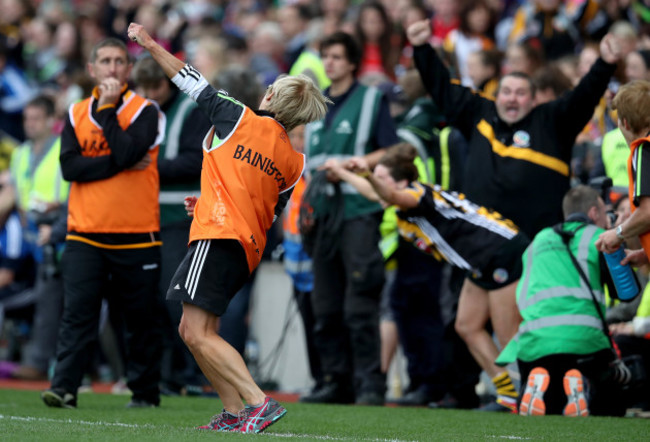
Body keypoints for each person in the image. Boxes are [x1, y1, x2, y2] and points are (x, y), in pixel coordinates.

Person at [127, 22, 330, 433]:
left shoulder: (238, 116)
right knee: (195, 329)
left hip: (217, 236)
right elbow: (266, 209)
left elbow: (188, 79)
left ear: (270, 96)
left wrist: (149, 44)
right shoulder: (294, 162)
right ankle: (235, 411)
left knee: (197, 333)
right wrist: (208, 202)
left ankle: (257, 403)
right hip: (243, 247)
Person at [325, 143, 529, 413]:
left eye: (384, 180)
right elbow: (376, 193)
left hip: (501, 251)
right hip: (480, 261)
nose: (378, 187)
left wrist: (370, 176)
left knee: (508, 336)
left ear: (403, 182)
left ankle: (531, 394)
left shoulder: (415, 194)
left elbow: (389, 195)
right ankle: (509, 394)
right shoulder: (398, 196)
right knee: (467, 326)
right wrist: (341, 171)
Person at [406, 18, 627, 239]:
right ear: (497, 96)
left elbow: (583, 96)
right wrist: (422, 48)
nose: (512, 99)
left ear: (533, 100)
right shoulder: (479, 113)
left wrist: (605, 63)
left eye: (521, 93)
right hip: (482, 240)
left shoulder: (552, 121)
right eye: (507, 92)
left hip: (538, 243)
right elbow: (443, 88)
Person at [41, 37, 165, 409]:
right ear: (92, 69)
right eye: (105, 61)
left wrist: (109, 112)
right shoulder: (76, 112)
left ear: (128, 70)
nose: (112, 67)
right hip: (85, 233)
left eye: (119, 61)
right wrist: (121, 163)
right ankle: (64, 388)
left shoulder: (146, 111)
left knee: (140, 321)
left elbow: (126, 151)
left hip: (137, 234)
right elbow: (69, 168)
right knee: (77, 315)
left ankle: (144, 393)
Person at [300, 31, 399, 406]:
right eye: (326, 56)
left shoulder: (373, 98)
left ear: (353, 62)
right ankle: (335, 380)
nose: (330, 63)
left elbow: (390, 148)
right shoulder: (314, 104)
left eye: (338, 57)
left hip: (358, 212)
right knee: (325, 305)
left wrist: (354, 164)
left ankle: (370, 384)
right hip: (322, 214)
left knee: (360, 302)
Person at [498, 185, 630, 417]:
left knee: (551, 407)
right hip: (585, 343)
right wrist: (617, 239)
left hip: (533, 343)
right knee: (612, 408)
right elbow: (626, 292)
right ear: (593, 214)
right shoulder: (597, 238)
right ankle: (582, 387)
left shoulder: (538, 240)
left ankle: (537, 385)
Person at [131, 56, 212, 396]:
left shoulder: (191, 110)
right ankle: (164, 373)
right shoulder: (141, 110)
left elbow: (197, 158)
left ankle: (187, 373)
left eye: (157, 87)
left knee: (174, 298)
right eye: (145, 88)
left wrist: (151, 167)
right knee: (148, 299)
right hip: (144, 218)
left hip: (181, 219)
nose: (151, 94)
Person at [0, 95, 69, 381]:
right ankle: (44, 360)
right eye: (27, 118)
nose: (29, 124)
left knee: (57, 300)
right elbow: (17, 191)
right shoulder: (20, 153)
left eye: (36, 118)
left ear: (52, 120)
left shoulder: (63, 149)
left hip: (63, 227)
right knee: (50, 299)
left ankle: (43, 360)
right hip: (34, 234)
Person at [596, 80, 650, 266]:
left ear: (625, 123)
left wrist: (618, 233)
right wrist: (646, 254)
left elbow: (648, 211)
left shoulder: (644, 149)